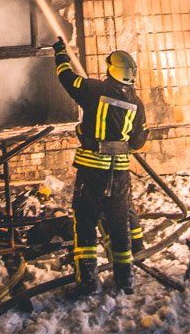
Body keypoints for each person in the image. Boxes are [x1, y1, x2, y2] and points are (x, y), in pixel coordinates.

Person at [53, 37, 148, 297]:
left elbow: (66, 78)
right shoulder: (137, 105)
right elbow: (138, 142)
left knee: (84, 223)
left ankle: (87, 282)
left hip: (92, 172)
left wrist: (60, 52)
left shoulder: (94, 90)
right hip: (119, 175)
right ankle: (125, 280)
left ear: (111, 70)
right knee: (119, 227)